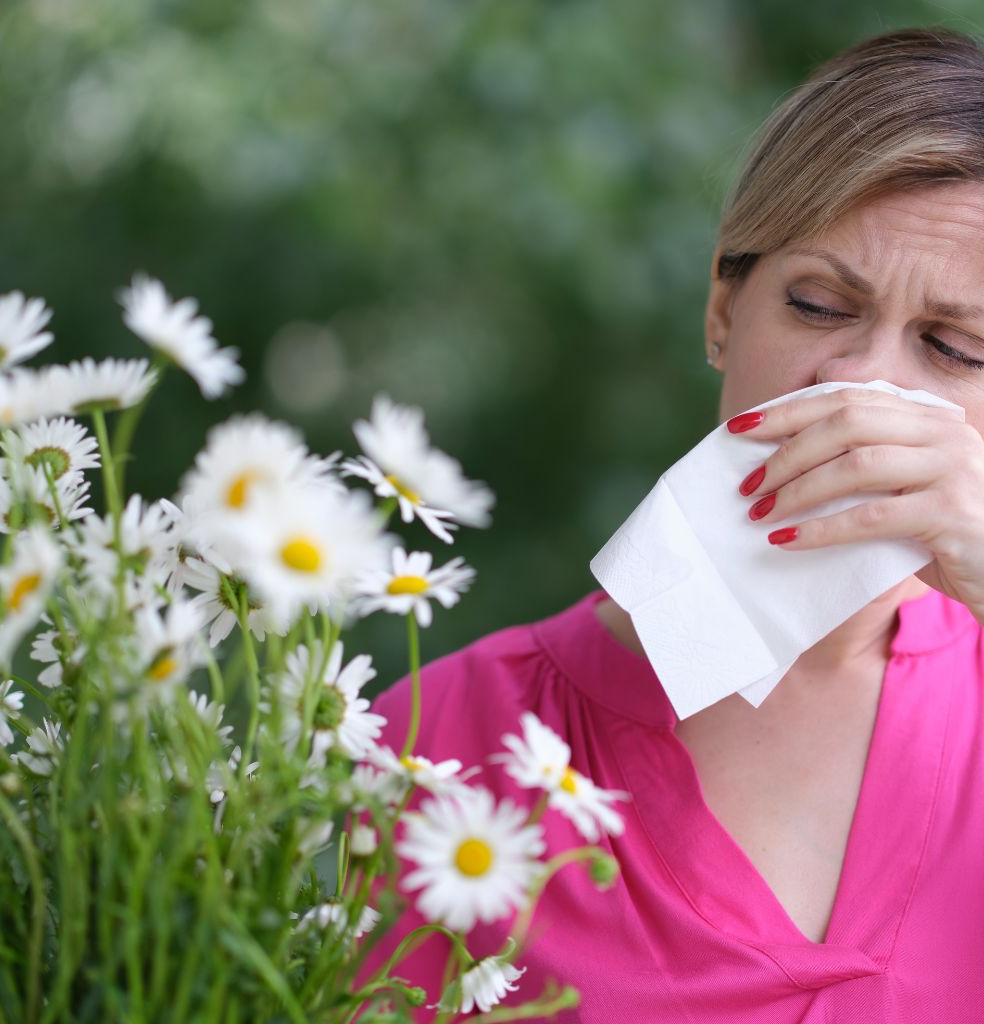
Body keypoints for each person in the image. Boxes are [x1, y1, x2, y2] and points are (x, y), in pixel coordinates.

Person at [363, 27, 984, 1021]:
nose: (861, 382)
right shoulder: (432, 745)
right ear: (722, 310)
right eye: (819, 306)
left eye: (954, 348)